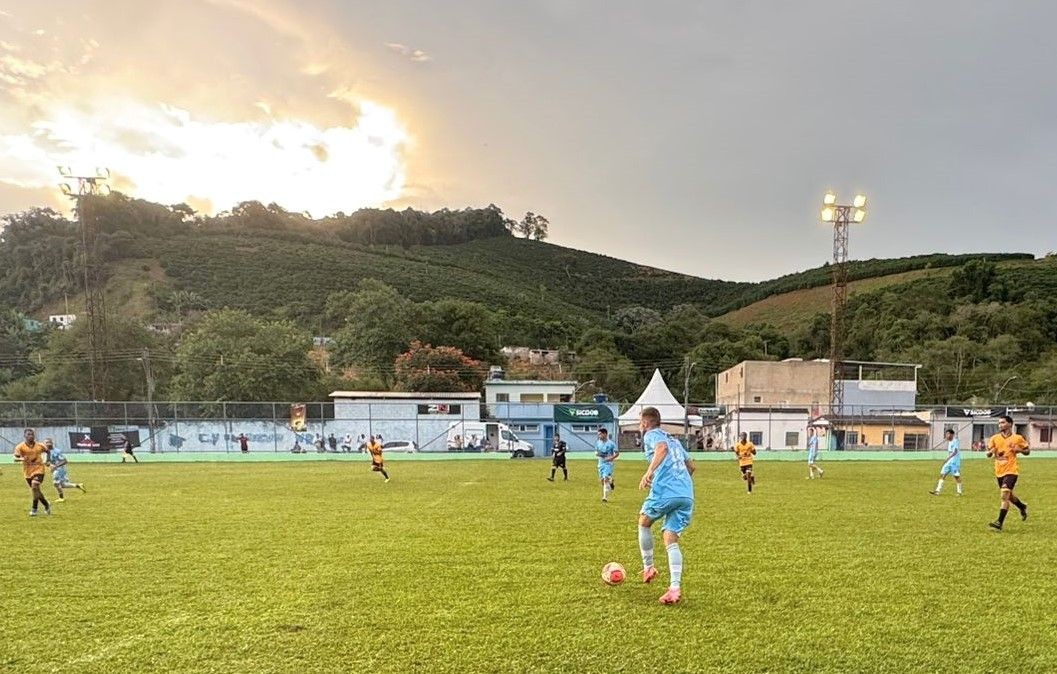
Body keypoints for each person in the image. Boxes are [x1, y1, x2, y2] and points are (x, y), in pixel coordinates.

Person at [637, 407, 695, 605]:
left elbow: (661, 449)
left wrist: (649, 472)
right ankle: (674, 588)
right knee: (670, 538)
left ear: (645, 423)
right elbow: (691, 466)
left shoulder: (651, 435)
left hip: (665, 491)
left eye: (640, 422)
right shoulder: (674, 439)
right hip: (686, 494)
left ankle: (649, 567)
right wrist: (680, 484)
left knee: (644, 522)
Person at [987, 415, 1030, 531]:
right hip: (999, 471)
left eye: (1002, 423)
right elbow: (989, 453)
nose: (1000, 425)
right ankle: (1022, 506)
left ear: (1010, 424)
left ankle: (999, 522)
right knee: (1009, 496)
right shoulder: (994, 438)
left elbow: (1027, 451)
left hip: (1011, 471)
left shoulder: (1018, 438)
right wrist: (991, 452)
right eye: (999, 423)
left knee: (1004, 495)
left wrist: (1019, 450)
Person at [14, 428, 51, 516]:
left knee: (34, 485)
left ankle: (34, 509)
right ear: (25, 436)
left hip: (39, 469)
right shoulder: (20, 447)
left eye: (32, 434)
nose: (31, 436)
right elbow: (15, 458)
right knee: (36, 490)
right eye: (28, 434)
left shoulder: (39, 445)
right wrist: (22, 458)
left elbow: (48, 451)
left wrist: (48, 460)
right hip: (27, 471)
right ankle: (46, 504)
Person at [930, 429, 963, 496]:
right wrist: (948, 460)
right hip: (949, 462)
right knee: (942, 474)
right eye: (946, 434)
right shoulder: (949, 442)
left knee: (956, 476)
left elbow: (955, 452)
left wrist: (947, 458)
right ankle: (937, 491)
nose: (947, 435)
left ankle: (959, 492)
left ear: (952, 434)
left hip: (954, 462)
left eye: (948, 434)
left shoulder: (955, 441)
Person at [595, 428, 619, 502]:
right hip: (600, 463)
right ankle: (611, 481)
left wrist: (610, 458)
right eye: (598, 434)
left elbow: (617, 453)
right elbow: (596, 452)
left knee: (605, 479)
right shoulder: (598, 443)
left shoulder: (611, 443)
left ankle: (605, 497)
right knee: (602, 481)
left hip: (608, 464)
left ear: (605, 434)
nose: (599, 436)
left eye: (600, 434)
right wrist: (598, 454)